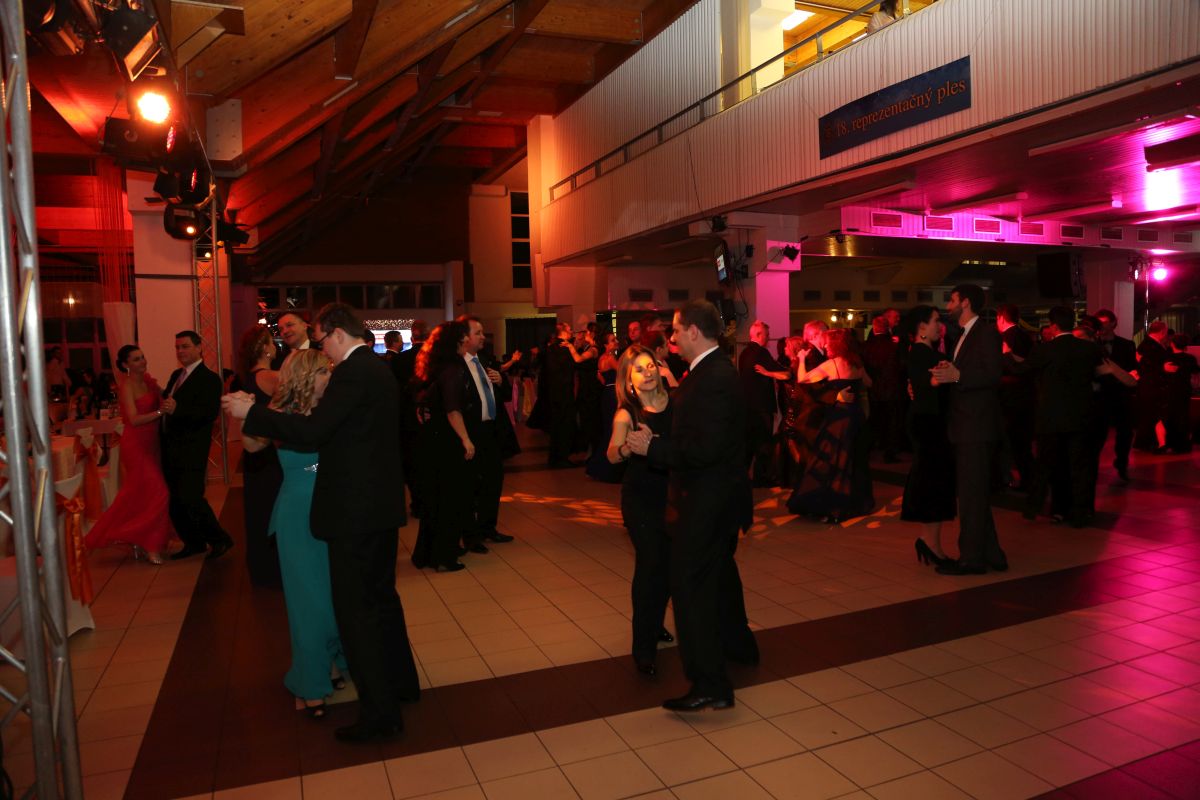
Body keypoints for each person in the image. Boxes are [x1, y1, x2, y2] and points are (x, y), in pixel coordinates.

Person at [224, 303, 419, 743]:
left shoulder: (352, 373)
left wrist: (251, 413)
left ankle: (380, 714)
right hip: (379, 507)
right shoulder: (379, 369)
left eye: (322, 340)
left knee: (358, 614)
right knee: (383, 602)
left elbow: (314, 432)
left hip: (354, 514)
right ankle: (402, 686)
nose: (322, 351)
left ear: (336, 334)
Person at [625, 299, 757, 712]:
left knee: (690, 590)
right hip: (717, 499)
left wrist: (653, 448)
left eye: (677, 331)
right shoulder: (711, 372)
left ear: (695, 332)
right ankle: (739, 647)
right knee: (720, 578)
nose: (673, 339)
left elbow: (704, 450)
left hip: (706, 503)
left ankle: (710, 684)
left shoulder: (713, 377)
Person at [242, 350, 347, 718]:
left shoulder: (330, 410)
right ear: (305, 375)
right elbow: (251, 445)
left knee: (333, 596)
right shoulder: (280, 412)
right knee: (307, 602)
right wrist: (250, 414)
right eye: (323, 372)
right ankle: (309, 682)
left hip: (333, 510)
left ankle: (332, 664)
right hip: (298, 515)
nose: (329, 378)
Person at [930, 285, 1007, 575]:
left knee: (971, 496)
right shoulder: (963, 335)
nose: (948, 305)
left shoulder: (985, 333)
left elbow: (992, 375)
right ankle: (993, 554)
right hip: (966, 424)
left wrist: (958, 374)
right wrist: (948, 371)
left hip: (976, 426)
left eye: (952, 300)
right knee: (974, 493)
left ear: (965, 302)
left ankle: (971, 560)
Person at [607, 346, 673, 675]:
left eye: (650, 366)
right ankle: (643, 648)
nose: (647, 373)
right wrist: (628, 447)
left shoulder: (677, 403)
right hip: (641, 501)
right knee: (650, 565)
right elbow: (610, 455)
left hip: (673, 498)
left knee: (668, 565)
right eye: (638, 369)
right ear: (628, 379)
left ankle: (654, 622)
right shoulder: (627, 413)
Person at [85, 345, 176, 564]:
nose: (142, 361)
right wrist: (160, 412)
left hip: (152, 443)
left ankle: (144, 541)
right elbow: (133, 420)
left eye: (142, 357)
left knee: (142, 496)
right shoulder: (126, 386)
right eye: (136, 359)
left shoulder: (149, 382)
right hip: (136, 445)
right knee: (159, 493)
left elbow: (166, 397)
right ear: (125, 364)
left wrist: (171, 404)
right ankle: (150, 545)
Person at [787, 328, 874, 523]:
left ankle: (833, 505)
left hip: (839, 419)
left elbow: (802, 379)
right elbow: (869, 383)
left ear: (835, 344)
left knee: (832, 461)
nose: (825, 345)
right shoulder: (857, 363)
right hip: (856, 416)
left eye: (828, 342)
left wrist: (801, 359)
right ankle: (855, 503)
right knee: (854, 460)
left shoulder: (832, 364)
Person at [162, 331, 233, 561]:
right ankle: (193, 543)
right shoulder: (176, 375)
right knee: (175, 501)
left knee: (191, 497)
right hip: (171, 446)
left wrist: (178, 410)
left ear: (199, 347)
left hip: (192, 447)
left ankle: (219, 539)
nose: (180, 351)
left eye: (185, 346)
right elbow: (166, 402)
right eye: (177, 347)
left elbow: (208, 414)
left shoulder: (209, 379)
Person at [411, 321, 472, 571]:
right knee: (450, 499)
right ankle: (444, 557)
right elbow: (453, 410)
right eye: (464, 337)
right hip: (446, 438)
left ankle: (426, 554)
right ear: (455, 341)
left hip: (431, 438)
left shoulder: (432, 367)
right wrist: (466, 440)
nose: (467, 340)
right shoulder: (453, 369)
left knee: (434, 499)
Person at [900, 307, 956, 567]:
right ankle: (931, 543)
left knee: (934, 483)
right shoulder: (921, 353)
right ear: (921, 327)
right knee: (933, 483)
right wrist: (944, 376)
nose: (939, 325)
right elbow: (927, 382)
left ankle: (930, 542)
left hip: (929, 422)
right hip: (928, 424)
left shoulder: (924, 353)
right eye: (935, 321)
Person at [458, 314, 516, 553]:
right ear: (464, 337)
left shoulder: (484, 360)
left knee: (493, 481)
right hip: (470, 432)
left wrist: (500, 381)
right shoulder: (457, 365)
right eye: (478, 333)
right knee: (471, 485)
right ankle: (471, 536)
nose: (483, 337)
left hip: (491, 431)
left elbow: (504, 396)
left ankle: (488, 528)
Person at [236, 325, 283, 588]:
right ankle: (275, 570)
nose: (275, 346)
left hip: (254, 455)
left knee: (257, 513)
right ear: (265, 349)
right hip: (269, 454)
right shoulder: (272, 377)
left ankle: (261, 569)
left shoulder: (248, 378)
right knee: (273, 512)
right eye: (271, 342)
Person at [741, 320, 787, 486]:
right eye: (767, 335)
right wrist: (788, 371)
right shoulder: (761, 352)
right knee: (763, 444)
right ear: (759, 335)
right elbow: (778, 370)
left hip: (747, 406)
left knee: (749, 444)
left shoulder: (744, 353)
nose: (768, 338)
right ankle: (761, 479)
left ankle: (743, 477)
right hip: (762, 406)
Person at [1094, 309, 1138, 482]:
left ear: (1113, 323)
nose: (1101, 326)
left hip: (1121, 395)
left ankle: (1122, 465)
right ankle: (1092, 467)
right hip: (1099, 397)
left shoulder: (1126, 345)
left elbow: (1132, 368)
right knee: (1097, 435)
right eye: (1099, 322)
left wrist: (1131, 377)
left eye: (1104, 322)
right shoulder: (1092, 345)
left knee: (1125, 433)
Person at [391, 320, 428, 519]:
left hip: (408, 419)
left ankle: (417, 502)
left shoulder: (400, 360)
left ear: (412, 337)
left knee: (412, 462)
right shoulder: (436, 359)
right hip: (432, 418)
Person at [996, 304, 1035, 490]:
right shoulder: (1024, 336)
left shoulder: (1006, 338)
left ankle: (1026, 480)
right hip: (1025, 396)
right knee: (1022, 443)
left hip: (1011, 398)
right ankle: (1029, 479)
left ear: (1001, 318)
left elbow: (1009, 367)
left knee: (1014, 443)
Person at [863, 316, 904, 463]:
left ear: (874, 328)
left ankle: (869, 449)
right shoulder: (894, 346)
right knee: (893, 421)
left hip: (874, 389)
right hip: (892, 389)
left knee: (874, 419)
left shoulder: (866, 347)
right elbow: (901, 366)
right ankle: (890, 453)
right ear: (888, 328)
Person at [586, 332, 625, 482]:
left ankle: (598, 466)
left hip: (607, 394)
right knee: (613, 431)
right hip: (613, 395)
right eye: (612, 340)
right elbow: (623, 373)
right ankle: (607, 469)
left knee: (609, 430)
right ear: (605, 345)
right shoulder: (610, 358)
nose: (616, 342)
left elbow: (602, 380)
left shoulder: (601, 358)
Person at [1134, 321, 1174, 453]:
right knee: (1154, 415)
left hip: (1150, 385)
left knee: (1151, 415)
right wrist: (1163, 368)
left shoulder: (1147, 344)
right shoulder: (1150, 345)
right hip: (1152, 386)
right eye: (1165, 331)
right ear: (1162, 331)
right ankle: (1156, 443)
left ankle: (1151, 443)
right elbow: (1146, 365)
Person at [545, 322, 580, 468]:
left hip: (554, 393)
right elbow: (573, 366)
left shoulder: (551, 348)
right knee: (565, 426)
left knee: (557, 426)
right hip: (564, 393)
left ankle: (555, 458)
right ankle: (562, 458)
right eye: (570, 329)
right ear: (564, 331)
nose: (572, 331)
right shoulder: (565, 348)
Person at [1165, 334, 1198, 453]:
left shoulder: (1168, 358)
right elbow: (1195, 373)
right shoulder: (1190, 358)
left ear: (1172, 344)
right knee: (1183, 416)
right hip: (1184, 390)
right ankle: (1183, 444)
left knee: (1171, 417)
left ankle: (1171, 443)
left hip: (1170, 390)